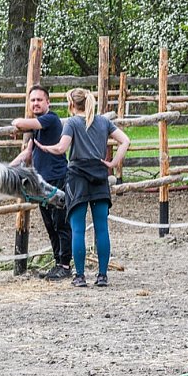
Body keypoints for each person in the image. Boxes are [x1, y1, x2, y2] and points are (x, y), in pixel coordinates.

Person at [34, 88, 130, 287]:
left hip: (77, 177)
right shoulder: (103, 121)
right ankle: (102, 276)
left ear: (71, 104)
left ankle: (80, 276)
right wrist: (113, 163)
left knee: (78, 228)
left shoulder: (72, 123)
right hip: (99, 174)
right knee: (101, 227)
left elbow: (61, 148)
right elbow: (125, 141)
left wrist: (45, 148)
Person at [10, 85, 72, 281]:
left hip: (57, 178)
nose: (35, 103)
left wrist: (16, 123)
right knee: (50, 225)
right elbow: (27, 152)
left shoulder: (49, 119)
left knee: (61, 223)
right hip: (41, 183)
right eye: (32, 100)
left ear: (48, 102)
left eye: (39, 100)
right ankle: (58, 263)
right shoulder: (37, 128)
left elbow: (20, 122)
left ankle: (65, 265)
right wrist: (7, 168)